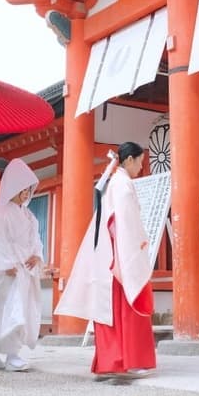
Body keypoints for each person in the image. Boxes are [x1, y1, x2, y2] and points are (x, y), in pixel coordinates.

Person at [56, 142, 157, 379]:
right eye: (140, 161)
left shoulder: (115, 181)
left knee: (109, 312)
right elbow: (125, 223)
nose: (141, 167)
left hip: (109, 256)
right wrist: (136, 248)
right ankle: (129, 360)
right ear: (129, 159)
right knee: (126, 310)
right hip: (120, 257)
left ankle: (111, 361)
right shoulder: (122, 184)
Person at [0, 158, 46, 373]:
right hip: (6, 270)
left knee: (19, 311)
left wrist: (36, 255)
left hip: (23, 270)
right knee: (2, 310)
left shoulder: (28, 215)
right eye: (23, 189)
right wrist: (4, 263)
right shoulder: (2, 212)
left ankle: (12, 353)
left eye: (29, 189)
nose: (26, 194)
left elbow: (36, 240)